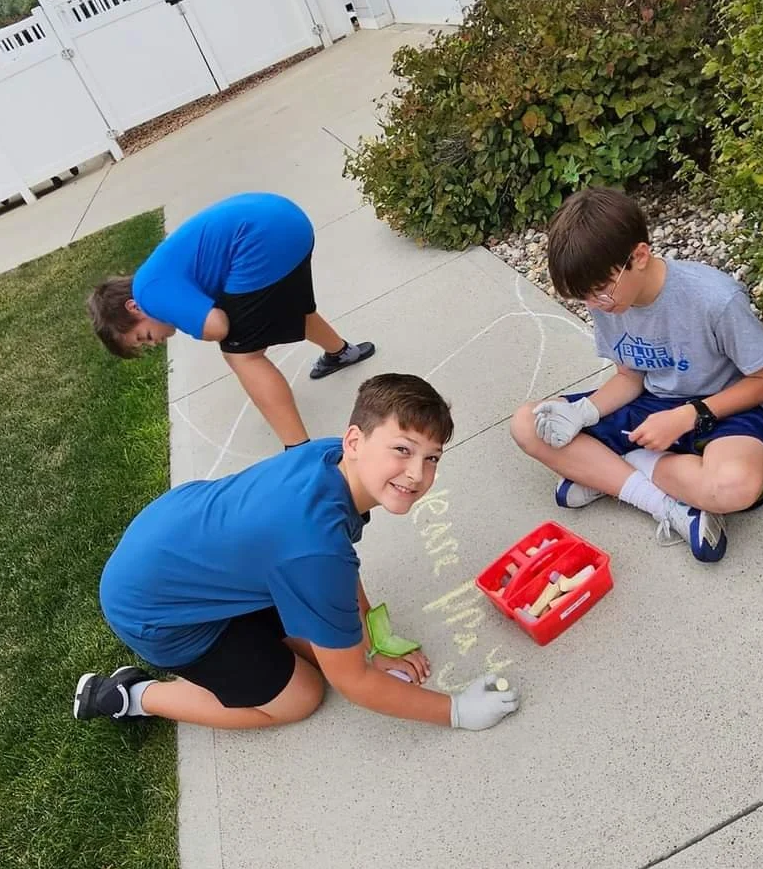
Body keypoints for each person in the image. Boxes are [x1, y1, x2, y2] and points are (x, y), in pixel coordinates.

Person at [74, 374, 519, 733]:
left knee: (325, 646)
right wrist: (455, 711)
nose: (417, 473)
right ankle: (130, 695)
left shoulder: (329, 457)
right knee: (301, 696)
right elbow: (354, 682)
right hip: (158, 612)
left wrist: (372, 643)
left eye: (432, 458)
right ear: (354, 441)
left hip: (178, 551)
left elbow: (335, 561)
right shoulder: (314, 552)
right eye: (402, 449)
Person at [511, 188, 763, 564]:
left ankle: (611, 471)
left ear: (639, 256)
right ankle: (666, 506)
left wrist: (688, 415)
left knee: (735, 486)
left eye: (599, 292)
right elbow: (629, 376)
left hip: (725, 409)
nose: (594, 305)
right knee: (529, 424)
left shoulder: (714, 299)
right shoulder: (609, 299)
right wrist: (584, 412)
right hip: (651, 404)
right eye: (584, 298)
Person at [86, 192, 375, 448]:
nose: (155, 342)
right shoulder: (154, 275)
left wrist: (203, 326)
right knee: (293, 310)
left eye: (144, 336)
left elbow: (218, 327)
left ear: (134, 308)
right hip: (288, 222)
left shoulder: (148, 293)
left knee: (241, 355)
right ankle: (341, 352)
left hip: (262, 242)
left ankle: (297, 449)